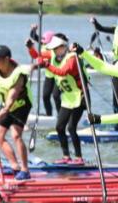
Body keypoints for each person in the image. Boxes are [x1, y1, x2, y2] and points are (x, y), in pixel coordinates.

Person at [29, 35, 86, 164]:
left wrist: (46, 65)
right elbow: (37, 55)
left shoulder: (72, 58)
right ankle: (66, 156)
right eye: (53, 49)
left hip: (80, 97)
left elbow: (63, 72)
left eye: (56, 48)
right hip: (67, 99)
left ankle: (79, 157)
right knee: (59, 127)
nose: (54, 51)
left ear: (63, 47)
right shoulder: (53, 55)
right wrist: (30, 48)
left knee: (71, 128)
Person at [0, 45, 33, 180]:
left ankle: (25, 170)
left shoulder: (18, 75)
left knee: (16, 135)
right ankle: (15, 167)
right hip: (5, 105)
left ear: (6, 59)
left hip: (21, 105)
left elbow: (8, 105)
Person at [27, 26, 64, 116]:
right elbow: (33, 36)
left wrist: (35, 66)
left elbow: (44, 64)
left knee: (56, 96)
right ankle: (49, 116)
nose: (43, 44)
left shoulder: (54, 50)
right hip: (49, 75)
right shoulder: (43, 42)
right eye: (43, 42)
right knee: (45, 96)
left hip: (58, 76)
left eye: (45, 43)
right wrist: (33, 30)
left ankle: (61, 116)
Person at [89, 16, 118, 113]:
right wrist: (95, 22)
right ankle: (116, 118)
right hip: (115, 65)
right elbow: (100, 28)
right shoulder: (115, 29)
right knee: (116, 94)